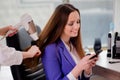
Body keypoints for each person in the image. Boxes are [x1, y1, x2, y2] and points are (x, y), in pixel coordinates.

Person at [36, 4, 98, 80]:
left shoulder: (73, 44)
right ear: (60, 25)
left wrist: (87, 70)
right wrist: (79, 68)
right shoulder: (51, 49)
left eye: (78, 22)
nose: (76, 27)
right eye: (71, 24)